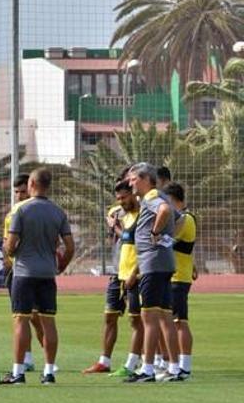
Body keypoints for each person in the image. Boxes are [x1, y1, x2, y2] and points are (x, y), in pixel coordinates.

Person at [2, 168, 74, 385]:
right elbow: (70, 246)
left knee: (21, 320)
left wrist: (11, 251)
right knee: (48, 321)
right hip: (46, 273)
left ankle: (18, 371)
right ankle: (49, 371)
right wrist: (61, 265)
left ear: (31, 183)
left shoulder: (21, 211)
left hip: (24, 272)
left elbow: (11, 244)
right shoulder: (57, 212)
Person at [125, 163, 184, 382]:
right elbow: (180, 219)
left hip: (152, 264)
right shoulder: (159, 195)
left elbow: (166, 211)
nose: (130, 183)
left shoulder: (151, 197)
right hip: (163, 262)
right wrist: (168, 240)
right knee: (166, 317)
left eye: (133, 179)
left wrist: (156, 233)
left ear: (144, 179)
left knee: (148, 317)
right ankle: (175, 368)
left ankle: (147, 369)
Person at [83, 180, 144, 375]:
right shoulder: (118, 213)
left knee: (137, 321)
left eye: (124, 197)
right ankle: (104, 361)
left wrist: (115, 227)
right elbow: (118, 228)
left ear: (134, 194)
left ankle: (134, 362)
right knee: (109, 316)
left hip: (136, 274)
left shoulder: (143, 215)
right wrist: (114, 223)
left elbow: (132, 238)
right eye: (118, 199)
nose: (121, 202)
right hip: (117, 272)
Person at [3, 174, 41, 371]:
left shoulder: (37, 212)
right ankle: (27, 357)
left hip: (33, 271)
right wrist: (7, 259)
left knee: (38, 317)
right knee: (21, 317)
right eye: (16, 192)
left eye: (22, 191)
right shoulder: (11, 214)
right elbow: (6, 242)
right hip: (16, 272)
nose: (19, 195)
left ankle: (48, 357)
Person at [166, 182, 195, 377]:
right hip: (175, 275)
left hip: (178, 277)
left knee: (179, 321)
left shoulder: (185, 219)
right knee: (174, 321)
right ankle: (174, 363)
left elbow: (168, 239)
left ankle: (184, 366)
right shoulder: (181, 218)